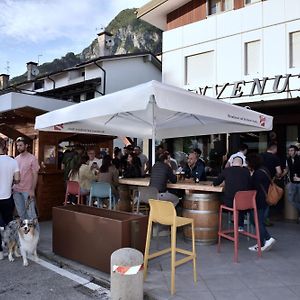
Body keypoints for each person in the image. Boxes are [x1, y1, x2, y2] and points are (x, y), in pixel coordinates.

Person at [247, 153, 276, 252]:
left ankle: (267, 239)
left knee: (256, 221)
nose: (247, 165)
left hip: (258, 201)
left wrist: (251, 176)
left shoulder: (257, 173)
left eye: (248, 163)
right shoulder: (265, 169)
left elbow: (253, 187)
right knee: (258, 221)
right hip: (266, 199)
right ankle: (262, 242)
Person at [213, 156, 251, 230]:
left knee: (218, 196)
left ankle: (218, 222)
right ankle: (240, 225)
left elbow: (215, 183)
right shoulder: (246, 171)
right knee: (240, 200)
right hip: (245, 203)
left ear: (232, 163)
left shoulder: (227, 170)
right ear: (242, 164)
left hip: (230, 203)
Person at [0, 138, 20, 260]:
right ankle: (11, 249)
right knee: (9, 225)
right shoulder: (12, 161)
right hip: (7, 197)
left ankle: (0, 253)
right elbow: (17, 180)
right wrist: (10, 182)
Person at [13, 137, 40, 221]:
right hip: (16, 190)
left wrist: (32, 190)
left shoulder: (32, 158)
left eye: (21, 145)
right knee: (21, 214)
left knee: (31, 215)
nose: (18, 147)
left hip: (27, 191)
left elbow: (35, 175)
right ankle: (24, 234)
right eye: (17, 145)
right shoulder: (16, 159)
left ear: (26, 145)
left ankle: (35, 234)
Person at [260, 143, 282, 226]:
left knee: (258, 199)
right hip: (268, 182)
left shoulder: (260, 155)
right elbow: (279, 172)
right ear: (274, 149)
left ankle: (256, 218)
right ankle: (264, 220)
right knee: (267, 200)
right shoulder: (275, 158)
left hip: (257, 180)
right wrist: (277, 176)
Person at [283, 145, 300, 213]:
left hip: (299, 183)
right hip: (292, 182)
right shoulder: (288, 159)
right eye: (289, 150)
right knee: (291, 199)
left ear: (296, 151)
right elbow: (287, 169)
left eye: (292, 150)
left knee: (298, 199)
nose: (290, 152)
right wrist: (281, 175)